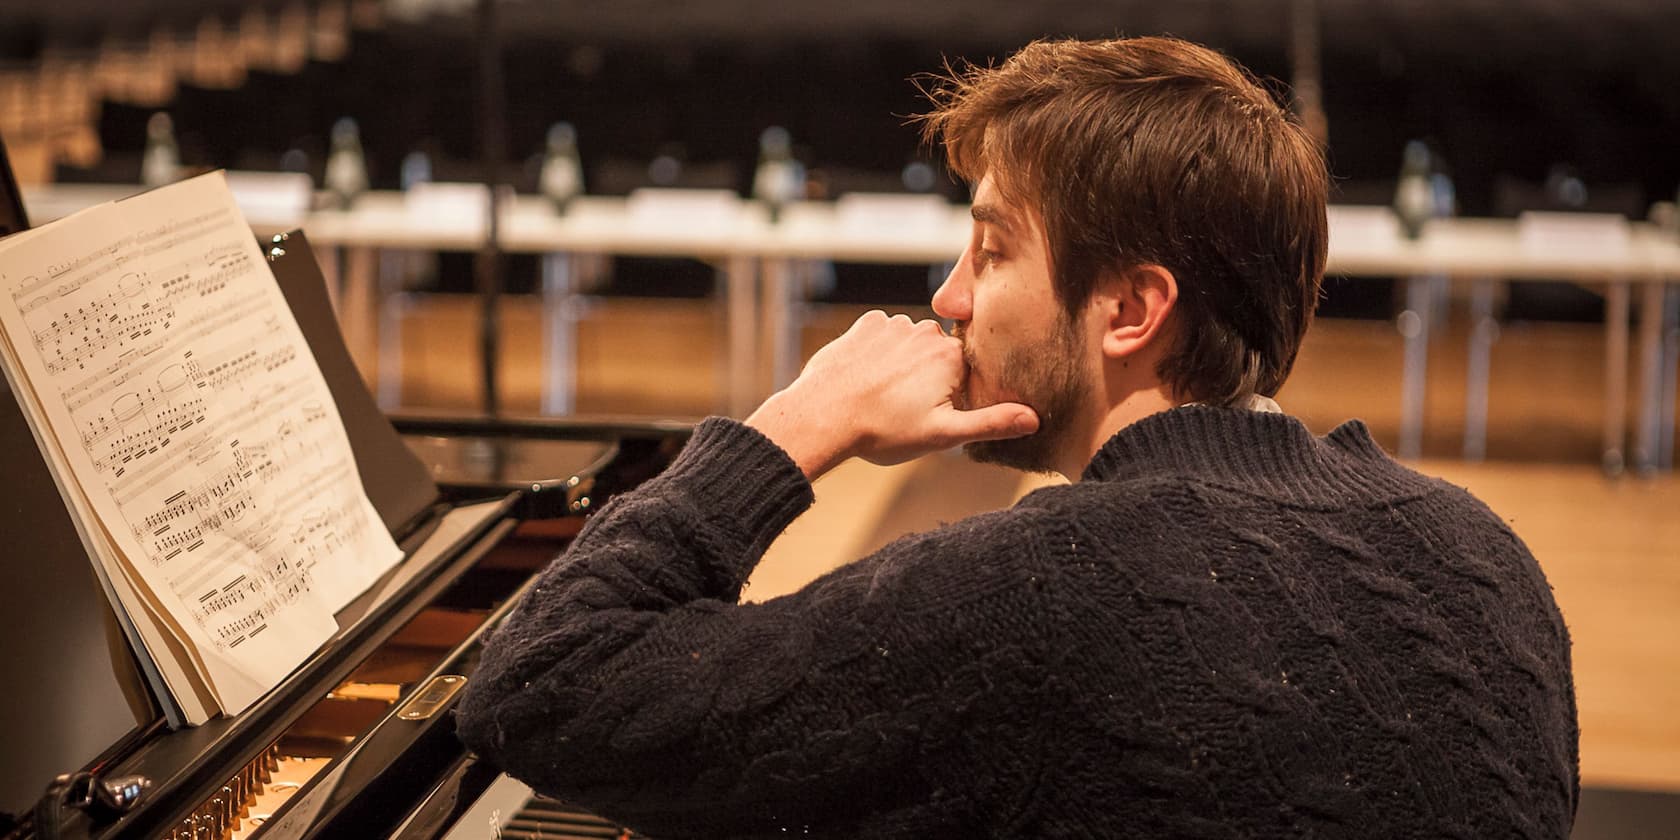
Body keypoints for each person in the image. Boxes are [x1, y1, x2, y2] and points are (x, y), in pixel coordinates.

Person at [456, 36, 1578, 838]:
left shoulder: (1037, 595)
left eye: (990, 252)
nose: (947, 298)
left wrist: (791, 425)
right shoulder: (1489, 559)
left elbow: (543, 687)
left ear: (1132, 311)